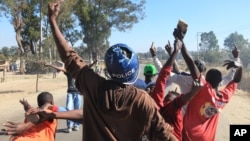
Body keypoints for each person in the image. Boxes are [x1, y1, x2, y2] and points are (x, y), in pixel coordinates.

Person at [3, 2, 178, 141]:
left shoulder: (93, 85)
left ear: (109, 70)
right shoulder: (142, 101)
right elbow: (163, 134)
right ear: (134, 70)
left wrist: (52, 21)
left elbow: (69, 57)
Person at [174, 27, 243, 141]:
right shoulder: (224, 98)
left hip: (189, 134)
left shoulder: (205, 89)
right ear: (219, 82)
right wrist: (238, 62)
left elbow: (191, 63)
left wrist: (181, 41)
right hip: (207, 138)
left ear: (206, 80)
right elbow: (236, 80)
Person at [150, 38, 203, 141]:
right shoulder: (206, 85)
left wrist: (173, 52)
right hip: (190, 124)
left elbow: (163, 74)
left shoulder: (183, 78)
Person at [45, 63, 82, 133]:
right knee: (68, 109)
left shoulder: (80, 73)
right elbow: (60, 69)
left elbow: (87, 67)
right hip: (70, 93)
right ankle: (69, 126)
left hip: (78, 94)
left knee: (77, 109)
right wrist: (50, 65)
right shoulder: (69, 73)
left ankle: (76, 125)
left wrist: (94, 63)